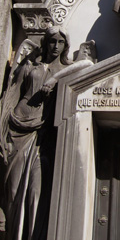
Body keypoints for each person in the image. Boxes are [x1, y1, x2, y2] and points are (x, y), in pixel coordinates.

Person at [3, 27, 71, 240]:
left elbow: (87, 64)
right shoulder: (30, 65)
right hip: (18, 130)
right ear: (45, 42)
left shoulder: (67, 71)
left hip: (43, 136)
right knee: (12, 189)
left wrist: (55, 79)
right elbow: (13, 94)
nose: (56, 46)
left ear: (65, 46)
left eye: (60, 42)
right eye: (52, 41)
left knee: (36, 193)